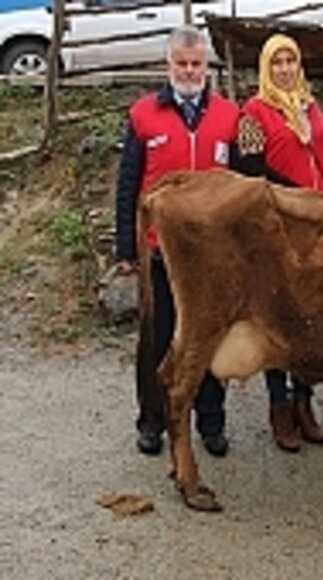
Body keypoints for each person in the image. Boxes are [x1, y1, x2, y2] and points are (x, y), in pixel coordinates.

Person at [115, 26, 234, 458]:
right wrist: (127, 247)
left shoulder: (228, 116)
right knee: (158, 336)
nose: (188, 71)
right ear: (168, 66)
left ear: (206, 66)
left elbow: (241, 187)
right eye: (181, 63)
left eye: (196, 64)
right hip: (160, 250)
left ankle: (211, 420)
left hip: (213, 254)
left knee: (208, 339)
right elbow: (128, 183)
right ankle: (152, 421)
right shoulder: (143, 115)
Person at [233, 33, 323, 452]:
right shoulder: (254, 112)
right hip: (279, 227)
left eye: (291, 61)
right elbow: (250, 169)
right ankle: (279, 406)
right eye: (278, 63)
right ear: (266, 68)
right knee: (279, 317)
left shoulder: (312, 108)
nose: (286, 69)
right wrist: (296, 197)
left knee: (313, 319)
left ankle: (304, 403)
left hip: (322, 227)